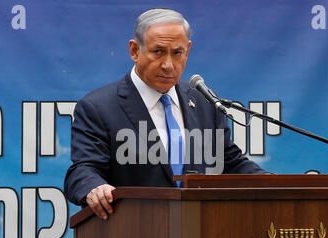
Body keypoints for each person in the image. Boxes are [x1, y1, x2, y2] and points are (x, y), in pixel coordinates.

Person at [64, 8, 267, 220]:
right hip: (132, 235)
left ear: (187, 50)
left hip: (202, 234)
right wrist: (95, 188)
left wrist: (273, 182)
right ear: (134, 51)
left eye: (177, 53)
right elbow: (83, 170)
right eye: (158, 52)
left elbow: (229, 162)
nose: (168, 65)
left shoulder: (204, 101)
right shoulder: (98, 107)